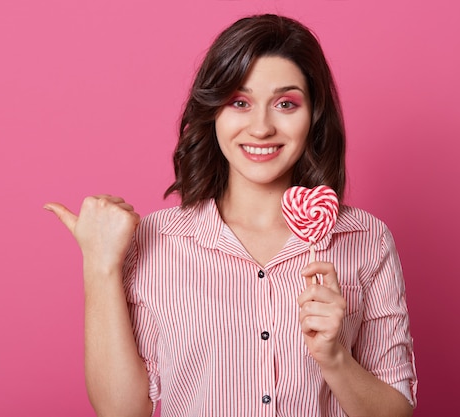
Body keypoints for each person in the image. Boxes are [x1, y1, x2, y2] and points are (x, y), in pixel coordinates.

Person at [45, 14, 417, 417]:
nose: (260, 127)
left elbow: (396, 410)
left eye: (286, 104)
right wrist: (100, 266)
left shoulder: (365, 238)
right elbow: (122, 411)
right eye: (239, 102)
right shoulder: (158, 241)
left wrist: (335, 358)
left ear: (313, 117)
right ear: (213, 112)